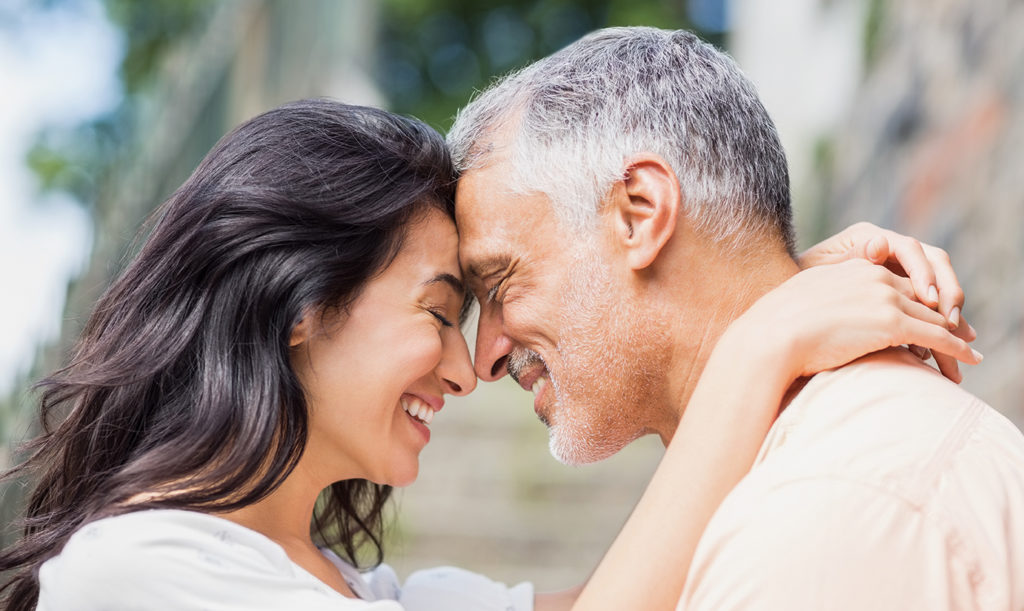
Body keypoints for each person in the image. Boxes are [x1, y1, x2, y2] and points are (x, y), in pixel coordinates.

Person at [0, 99, 979, 611]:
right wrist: (765, 336)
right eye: (438, 309)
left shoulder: (352, 585)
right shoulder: (133, 569)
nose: (468, 369)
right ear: (301, 305)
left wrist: (763, 287)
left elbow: (638, 590)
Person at [447, 26, 1024, 610]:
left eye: (499, 283)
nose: (484, 357)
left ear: (640, 215)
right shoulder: (817, 480)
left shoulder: (814, 524)